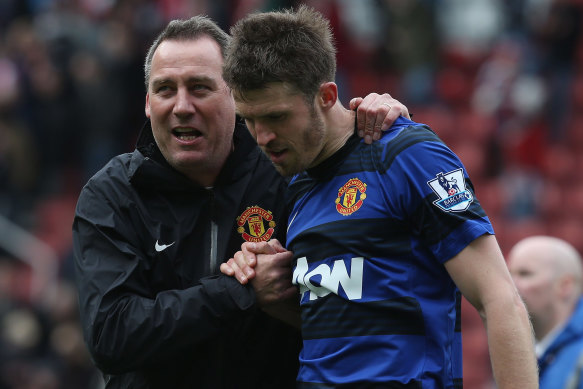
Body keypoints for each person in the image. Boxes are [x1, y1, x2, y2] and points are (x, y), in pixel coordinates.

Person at [71, 13, 410, 389]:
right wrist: (239, 291)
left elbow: (355, 307)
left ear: (236, 94)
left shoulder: (289, 170)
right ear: (148, 103)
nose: (182, 106)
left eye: (199, 87)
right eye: (166, 89)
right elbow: (111, 336)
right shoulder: (113, 194)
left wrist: (376, 118)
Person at [220, 6, 539, 388]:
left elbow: (500, 300)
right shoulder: (297, 183)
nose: (262, 136)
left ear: (326, 95)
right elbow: (344, 322)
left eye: (276, 117)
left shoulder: (407, 155)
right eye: (250, 120)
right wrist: (273, 295)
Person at [508, 236, 583, 389]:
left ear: (564, 286)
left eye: (524, 274)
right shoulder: (517, 353)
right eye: (508, 275)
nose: (510, 285)